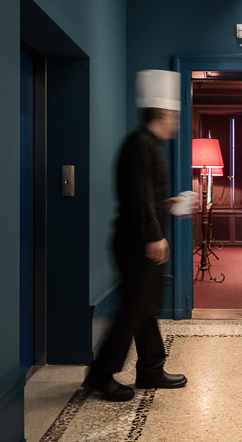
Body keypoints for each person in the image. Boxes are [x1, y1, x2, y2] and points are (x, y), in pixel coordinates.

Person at [85, 69, 187, 401]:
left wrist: (167, 205)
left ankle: (151, 369)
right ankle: (100, 375)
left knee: (145, 308)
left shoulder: (147, 144)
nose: (177, 122)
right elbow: (137, 196)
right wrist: (153, 236)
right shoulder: (140, 143)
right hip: (136, 244)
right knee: (133, 310)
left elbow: (146, 196)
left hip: (140, 240)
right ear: (163, 114)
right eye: (175, 115)